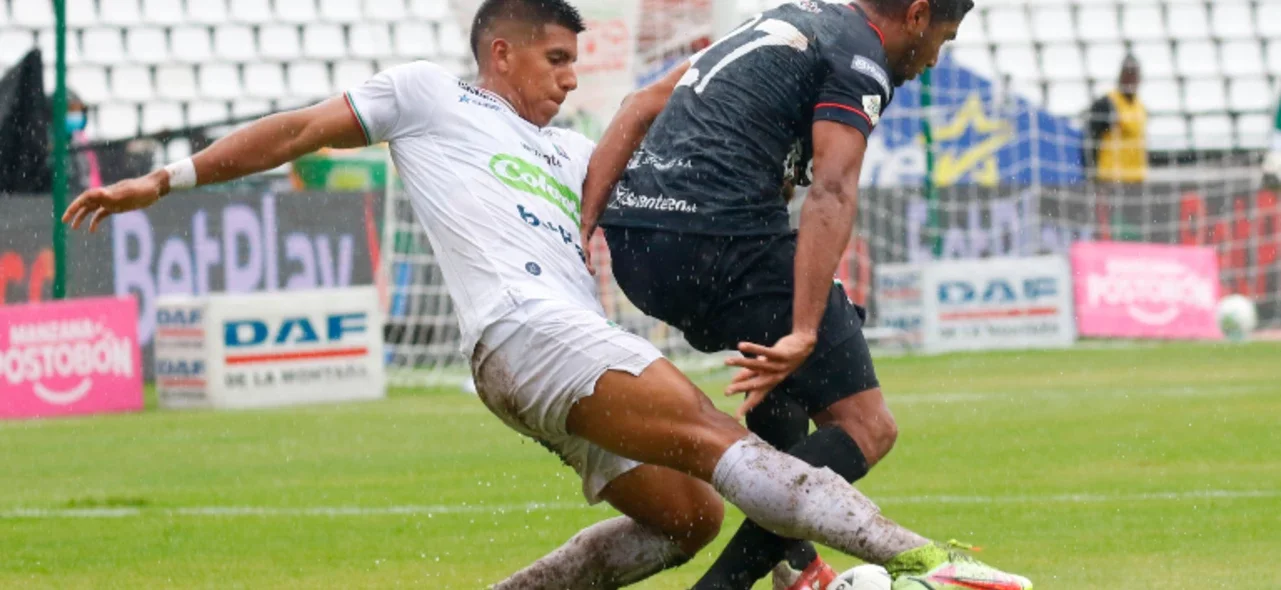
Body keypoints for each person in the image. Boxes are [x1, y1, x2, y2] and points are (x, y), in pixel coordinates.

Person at [64, 1, 1031, 588]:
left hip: (562, 350)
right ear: (501, 54)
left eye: (577, 64)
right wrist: (165, 181)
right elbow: (298, 131)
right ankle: (916, 557)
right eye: (556, 61)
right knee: (716, 440)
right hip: (526, 332)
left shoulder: (576, 154)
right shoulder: (430, 98)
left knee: (686, 519)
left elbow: (676, 160)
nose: (572, 82)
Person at [579, 0, 1030, 588]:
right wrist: (805, 329)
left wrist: (583, 231)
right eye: (942, 40)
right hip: (722, 243)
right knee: (868, 426)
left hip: (641, 251)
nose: (934, 61)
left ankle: (796, 565)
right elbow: (833, 189)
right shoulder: (862, 57)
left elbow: (639, 107)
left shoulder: (789, 19)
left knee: (787, 391)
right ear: (917, 16)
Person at [1083, 54, 1146, 240]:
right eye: (1127, 74)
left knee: (1132, 231)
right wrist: (1092, 170)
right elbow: (1091, 137)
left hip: (1135, 181)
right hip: (1111, 181)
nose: (1131, 79)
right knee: (1108, 229)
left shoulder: (1140, 107)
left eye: (1134, 75)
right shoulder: (1107, 104)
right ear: (1120, 76)